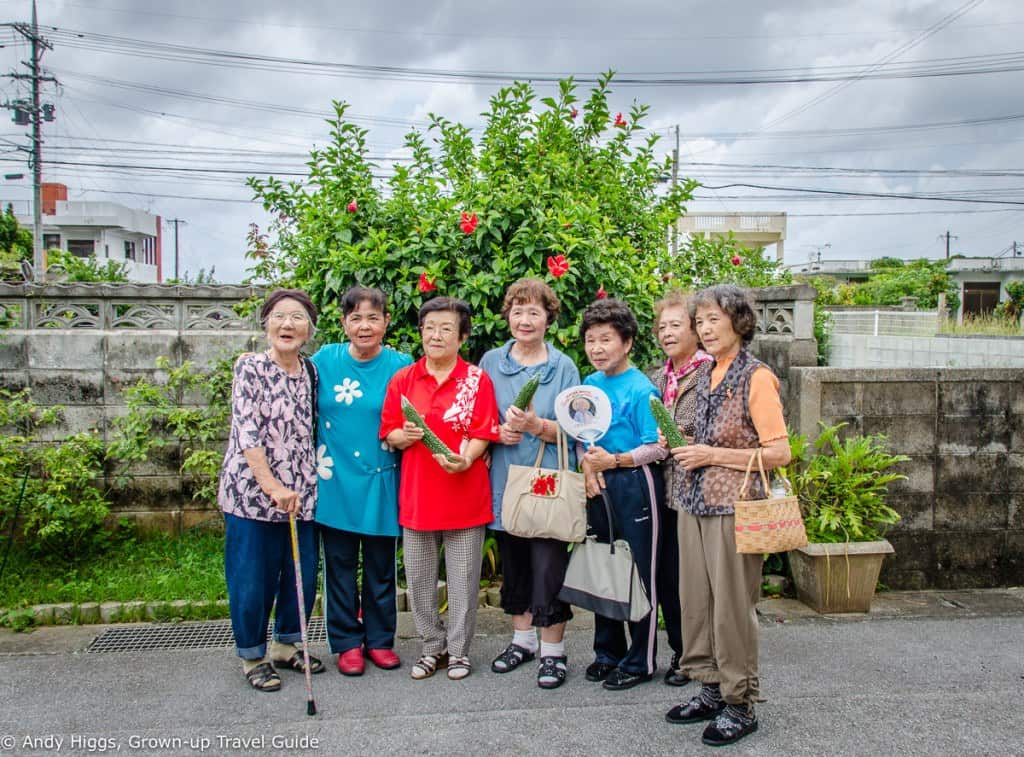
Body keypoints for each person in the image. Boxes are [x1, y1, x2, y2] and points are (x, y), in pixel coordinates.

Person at [665, 284, 791, 748]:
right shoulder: (705, 374)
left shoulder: (755, 377)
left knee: (732, 611)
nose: (705, 328)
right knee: (696, 604)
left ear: (740, 322)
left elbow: (779, 452)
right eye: (699, 321)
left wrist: (709, 454)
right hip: (692, 504)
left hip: (734, 507)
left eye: (714, 319)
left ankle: (740, 703)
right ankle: (710, 688)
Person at [380, 296, 500, 681]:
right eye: (429, 327)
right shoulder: (404, 379)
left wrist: (466, 458)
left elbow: (484, 430)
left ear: (462, 336)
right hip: (418, 497)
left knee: (464, 581)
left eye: (446, 328)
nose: (436, 335)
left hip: (465, 494)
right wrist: (405, 434)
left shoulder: (476, 380)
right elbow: (388, 431)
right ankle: (432, 647)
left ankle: (460, 651)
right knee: (418, 579)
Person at [218, 288, 324, 692]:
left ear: (309, 329)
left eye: (297, 317)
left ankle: (284, 644)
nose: (287, 324)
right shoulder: (250, 369)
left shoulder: (311, 371)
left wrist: (293, 487)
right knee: (252, 578)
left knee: (300, 575)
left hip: (302, 494)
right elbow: (248, 433)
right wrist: (271, 485)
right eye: (279, 316)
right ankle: (253, 655)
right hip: (252, 494)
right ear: (265, 324)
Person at [480, 278, 581, 690]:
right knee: (516, 566)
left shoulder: (564, 367)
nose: (525, 319)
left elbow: (578, 428)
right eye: (518, 311)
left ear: (548, 319)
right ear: (507, 316)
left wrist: (538, 426)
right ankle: (522, 641)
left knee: (548, 567)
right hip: (505, 480)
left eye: (534, 312)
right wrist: (494, 432)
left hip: (548, 483)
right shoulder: (489, 362)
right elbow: (477, 417)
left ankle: (553, 652)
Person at [310, 286, 413, 676]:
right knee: (337, 565)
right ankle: (346, 642)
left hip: (381, 479)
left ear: (387, 322)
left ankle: (381, 640)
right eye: (356, 318)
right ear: (343, 323)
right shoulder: (324, 360)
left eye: (373, 317)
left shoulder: (402, 365)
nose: (364, 326)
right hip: (333, 479)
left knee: (380, 566)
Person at [577, 298, 667, 691]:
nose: (597, 348)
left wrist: (613, 462)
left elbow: (658, 448)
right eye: (591, 340)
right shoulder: (589, 385)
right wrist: (586, 464)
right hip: (600, 484)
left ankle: (640, 660)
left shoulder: (643, 389)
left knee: (639, 572)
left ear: (627, 343)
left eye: (606, 340)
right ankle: (607, 652)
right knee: (604, 564)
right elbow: (578, 436)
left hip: (635, 482)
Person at [650, 292, 713, 687]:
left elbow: (722, 430)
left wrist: (679, 435)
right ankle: (681, 651)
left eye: (676, 325)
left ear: (695, 329)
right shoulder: (658, 378)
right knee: (670, 577)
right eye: (662, 327)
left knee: (702, 580)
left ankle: (705, 655)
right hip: (664, 491)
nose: (667, 333)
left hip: (701, 491)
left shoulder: (711, 372)